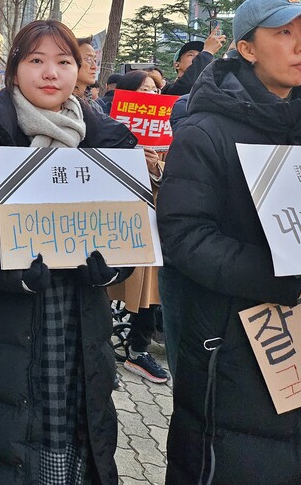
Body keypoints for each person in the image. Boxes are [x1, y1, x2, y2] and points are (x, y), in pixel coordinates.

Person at [157, 0, 301, 484]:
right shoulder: (205, 133)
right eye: (284, 33)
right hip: (235, 354)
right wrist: (291, 279)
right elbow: (185, 239)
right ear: (247, 49)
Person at [0, 19, 137, 485]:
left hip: (78, 331)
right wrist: (11, 273)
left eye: (64, 62)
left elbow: (128, 236)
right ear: (14, 69)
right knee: (2, 454)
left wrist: (110, 268)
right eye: (36, 60)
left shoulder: (106, 139)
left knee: (74, 447)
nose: (51, 73)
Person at [106, 69, 169, 384]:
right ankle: (99, 352)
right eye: (144, 89)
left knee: (149, 290)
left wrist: (154, 165)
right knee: (104, 284)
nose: (152, 95)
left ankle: (137, 350)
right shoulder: (107, 127)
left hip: (153, 217)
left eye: (156, 90)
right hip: (115, 217)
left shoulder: (168, 131)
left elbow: (174, 173)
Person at [160, 25, 226, 96]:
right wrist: (207, 52)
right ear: (177, 64)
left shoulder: (210, 90)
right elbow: (188, 84)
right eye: (190, 55)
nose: (197, 58)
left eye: (200, 55)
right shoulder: (169, 90)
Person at [73, 35, 104, 114]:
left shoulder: (94, 106)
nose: (94, 67)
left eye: (95, 60)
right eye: (88, 59)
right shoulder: (60, 104)